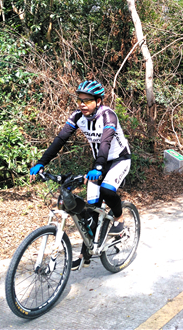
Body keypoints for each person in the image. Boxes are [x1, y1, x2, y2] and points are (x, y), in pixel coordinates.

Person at [30, 80, 131, 270]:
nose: (82, 104)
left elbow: (105, 142)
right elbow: (60, 139)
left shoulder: (108, 116)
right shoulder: (78, 116)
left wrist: (98, 167)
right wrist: (41, 162)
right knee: (91, 209)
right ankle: (85, 255)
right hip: (99, 163)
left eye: (87, 101)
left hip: (119, 160)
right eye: (80, 100)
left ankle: (119, 218)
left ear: (98, 101)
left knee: (107, 190)